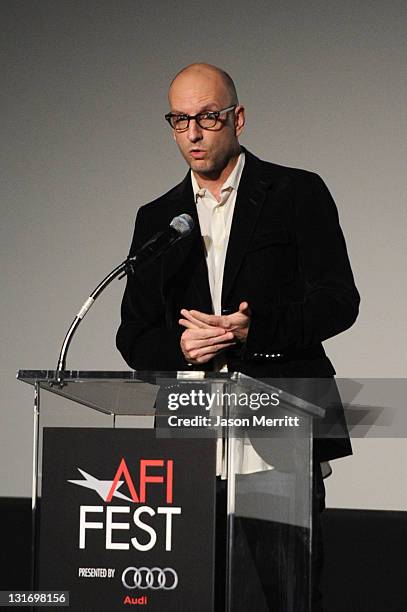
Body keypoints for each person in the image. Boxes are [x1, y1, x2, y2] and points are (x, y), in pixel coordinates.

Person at [117, 63, 360, 611]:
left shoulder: (296, 192)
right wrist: (179, 349)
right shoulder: (156, 218)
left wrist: (256, 332)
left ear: (238, 118)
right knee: (188, 597)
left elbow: (340, 301)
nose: (194, 133)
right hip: (190, 434)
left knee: (288, 597)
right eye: (180, 120)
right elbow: (133, 335)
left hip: (279, 429)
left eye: (208, 116)